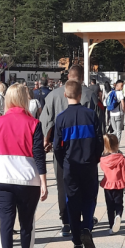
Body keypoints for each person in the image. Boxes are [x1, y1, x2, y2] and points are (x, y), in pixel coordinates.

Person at [0, 83, 48, 248]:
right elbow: (39, 155)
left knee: (5, 222)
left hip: (1, 177)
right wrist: (44, 181)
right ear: (24, 99)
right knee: (27, 221)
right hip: (28, 179)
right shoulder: (34, 123)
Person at [39, 65, 99, 238]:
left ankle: (66, 222)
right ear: (82, 77)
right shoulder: (89, 95)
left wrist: (46, 142)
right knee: (87, 189)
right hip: (86, 152)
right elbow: (99, 127)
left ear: (68, 76)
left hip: (63, 151)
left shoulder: (52, 95)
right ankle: (86, 221)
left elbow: (46, 122)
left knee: (63, 186)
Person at [52, 80, 105, 248]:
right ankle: (86, 228)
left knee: (72, 203)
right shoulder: (91, 114)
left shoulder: (61, 118)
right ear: (80, 95)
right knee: (89, 199)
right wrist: (95, 158)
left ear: (65, 95)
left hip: (70, 166)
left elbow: (57, 147)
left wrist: (63, 162)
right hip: (89, 165)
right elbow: (99, 140)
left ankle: (76, 244)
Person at [100, 133, 125, 233]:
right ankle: (118, 215)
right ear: (117, 144)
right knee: (119, 204)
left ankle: (111, 226)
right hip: (118, 184)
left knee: (110, 206)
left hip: (107, 184)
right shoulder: (121, 158)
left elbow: (103, 169)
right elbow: (124, 173)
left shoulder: (103, 159)